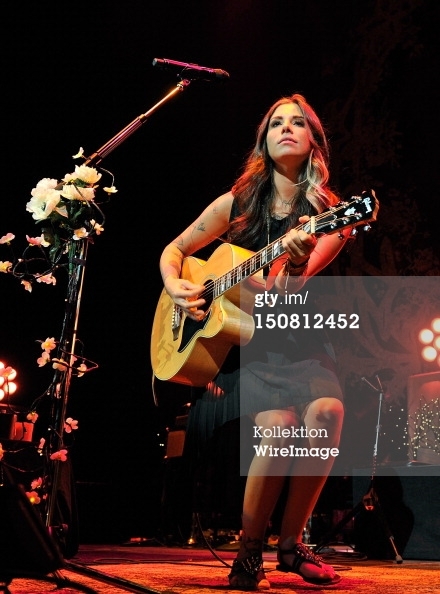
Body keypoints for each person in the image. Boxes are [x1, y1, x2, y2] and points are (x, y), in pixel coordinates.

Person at [159, 93, 351, 590]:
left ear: (313, 142)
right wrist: (175, 285)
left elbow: (286, 294)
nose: (285, 128)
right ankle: (248, 553)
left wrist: (296, 258)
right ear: (263, 141)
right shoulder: (237, 202)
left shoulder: (330, 214)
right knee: (280, 426)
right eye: (275, 123)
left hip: (298, 340)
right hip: (242, 346)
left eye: (297, 123)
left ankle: (289, 545)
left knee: (327, 413)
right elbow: (175, 249)